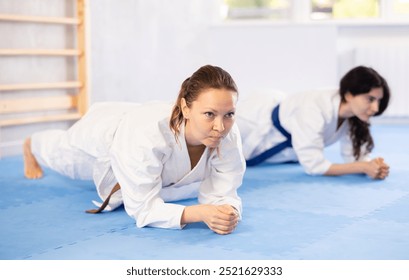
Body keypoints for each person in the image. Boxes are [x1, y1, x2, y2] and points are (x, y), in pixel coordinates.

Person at [23, 65, 245, 235]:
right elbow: (143, 208)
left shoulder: (227, 133)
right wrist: (199, 213)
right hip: (106, 139)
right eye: (209, 114)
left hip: (139, 128)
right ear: (186, 108)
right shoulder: (147, 135)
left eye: (229, 114)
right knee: (63, 159)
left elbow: (224, 190)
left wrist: (227, 211)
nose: (220, 126)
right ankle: (31, 144)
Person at [236, 65, 390, 179]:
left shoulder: (353, 115)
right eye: (370, 99)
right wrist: (362, 167)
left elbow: (354, 158)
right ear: (349, 95)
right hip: (252, 120)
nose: (376, 108)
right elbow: (314, 166)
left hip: (286, 137)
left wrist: (373, 166)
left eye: (378, 100)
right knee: (220, 148)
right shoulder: (313, 108)